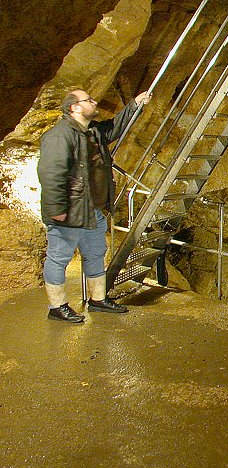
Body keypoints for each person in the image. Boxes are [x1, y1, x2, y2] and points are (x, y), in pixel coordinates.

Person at [37, 88, 151, 323]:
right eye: (88, 100)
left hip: (93, 210)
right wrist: (57, 210)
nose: (94, 101)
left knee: (95, 254)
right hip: (70, 212)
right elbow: (51, 174)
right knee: (59, 258)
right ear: (74, 107)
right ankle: (57, 307)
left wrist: (135, 105)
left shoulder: (92, 132)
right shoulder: (59, 136)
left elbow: (114, 127)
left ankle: (97, 300)